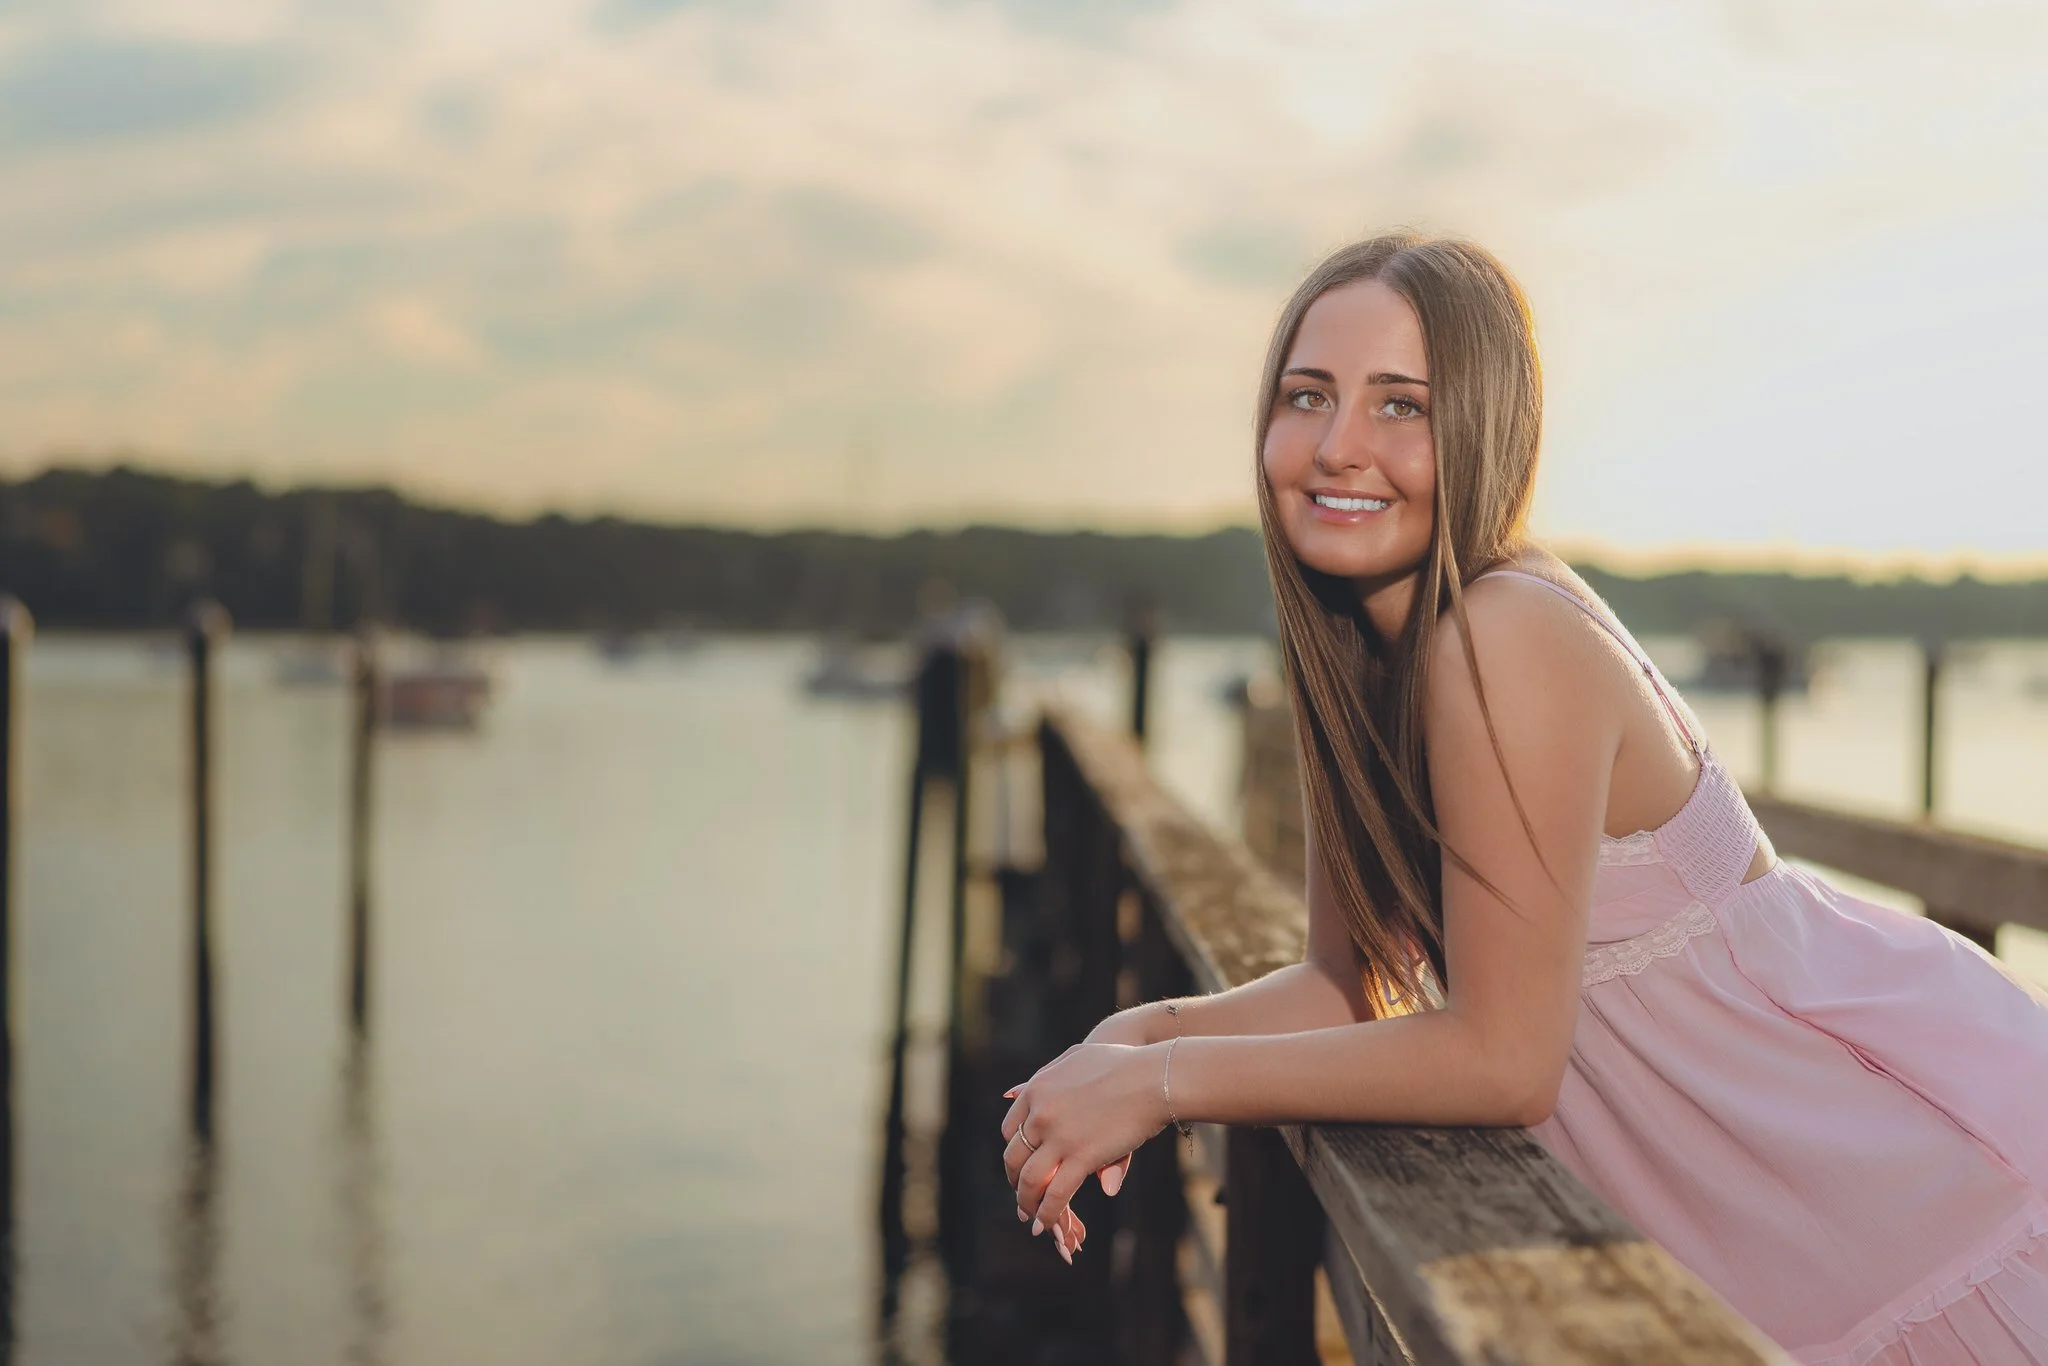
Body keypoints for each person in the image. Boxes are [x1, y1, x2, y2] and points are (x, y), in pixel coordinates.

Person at [998, 232, 2048, 1363]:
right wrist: (1134, 1035)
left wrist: (1164, 1083)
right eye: (1308, 396)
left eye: (1399, 405)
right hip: (1781, 1239)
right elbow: (1347, 988)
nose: (1339, 446)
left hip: (1912, 1201)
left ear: (1482, 427)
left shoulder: (1502, 634)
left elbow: (1503, 1057)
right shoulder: (1365, 661)